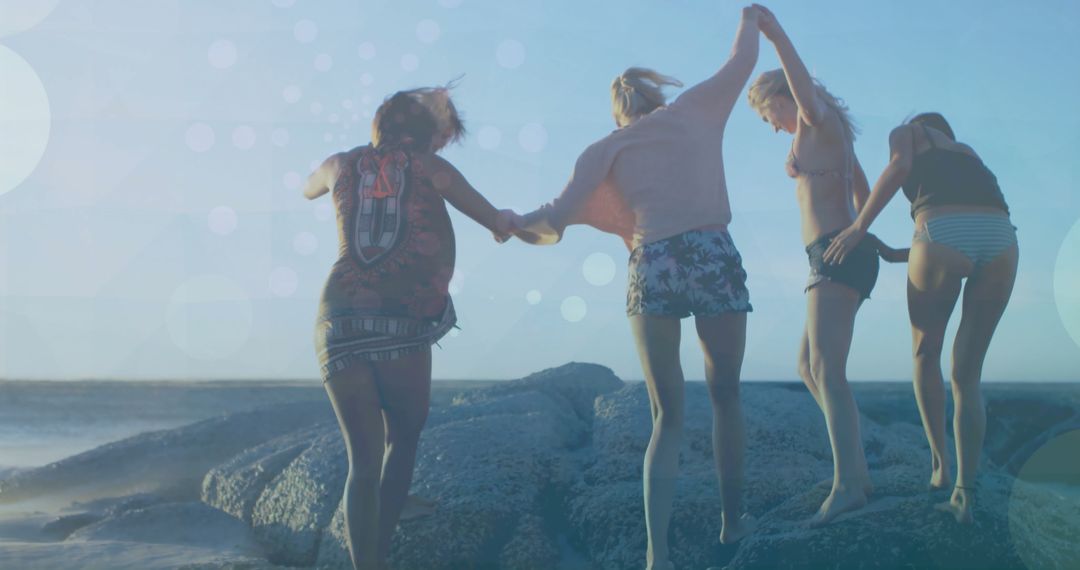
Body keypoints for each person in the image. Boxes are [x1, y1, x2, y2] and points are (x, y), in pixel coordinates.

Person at [506, 7, 763, 569]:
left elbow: (553, 218)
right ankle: (732, 521)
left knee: (666, 414)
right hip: (711, 255)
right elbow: (743, 58)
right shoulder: (692, 109)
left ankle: (656, 554)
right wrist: (750, 17)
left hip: (654, 264)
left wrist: (510, 222)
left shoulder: (605, 148)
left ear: (619, 112)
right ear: (654, 98)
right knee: (726, 394)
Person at [303, 87, 514, 569]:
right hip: (402, 317)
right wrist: (519, 225)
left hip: (337, 317)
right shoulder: (431, 167)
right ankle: (387, 523)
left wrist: (332, 180)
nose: (441, 147)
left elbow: (307, 187)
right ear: (426, 135)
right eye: (441, 138)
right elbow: (495, 219)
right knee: (402, 438)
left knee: (361, 462)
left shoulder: (339, 164)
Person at [746, 4, 906, 526]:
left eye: (767, 117)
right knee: (807, 366)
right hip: (839, 249)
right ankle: (856, 473)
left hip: (835, 253)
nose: (772, 128)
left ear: (780, 98)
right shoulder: (824, 132)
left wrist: (773, 32)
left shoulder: (814, 116)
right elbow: (861, 184)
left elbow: (798, 79)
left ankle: (847, 486)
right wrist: (865, 231)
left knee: (826, 370)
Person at [824, 111, 1017, 524]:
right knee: (967, 376)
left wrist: (858, 227)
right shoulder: (967, 152)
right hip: (1002, 238)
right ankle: (965, 495)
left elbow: (899, 168)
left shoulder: (908, 131)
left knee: (925, 354)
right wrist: (902, 254)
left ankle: (940, 468)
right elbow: (971, 216)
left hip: (940, 233)